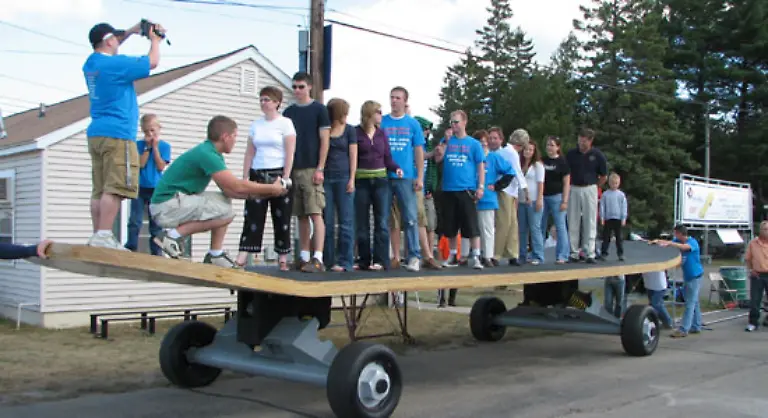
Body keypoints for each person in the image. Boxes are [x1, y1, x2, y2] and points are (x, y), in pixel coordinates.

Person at [150, 115, 287, 267]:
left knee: (223, 201)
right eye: (234, 136)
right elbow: (236, 186)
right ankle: (170, 237)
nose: (235, 141)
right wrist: (271, 187)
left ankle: (215, 254)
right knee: (225, 212)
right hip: (166, 206)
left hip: (172, 202)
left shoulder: (211, 152)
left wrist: (268, 193)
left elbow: (230, 192)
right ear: (225, 137)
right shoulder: (207, 154)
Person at [82, 21, 164, 249]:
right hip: (118, 134)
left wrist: (132, 31)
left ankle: (98, 236)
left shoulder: (91, 63)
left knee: (99, 189)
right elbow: (152, 62)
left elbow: (112, 42)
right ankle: (104, 235)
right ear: (109, 41)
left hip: (97, 133)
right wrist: (155, 40)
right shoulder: (115, 65)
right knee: (116, 187)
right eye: (115, 39)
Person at [236, 86, 296, 271]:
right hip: (257, 173)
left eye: (267, 100)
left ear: (277, 102)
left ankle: (283, 257)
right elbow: (250, 152)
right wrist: (245, 176)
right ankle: (242, 256)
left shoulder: (285, 123)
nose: (263, 103)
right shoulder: (256, 125)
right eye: (261, 100)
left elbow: (290, 152)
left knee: (281, 217)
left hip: (278, 173)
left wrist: (286, 176)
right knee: (253, 216)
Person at [283, 72, 331, 273]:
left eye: (301, 87)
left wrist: (320, 167)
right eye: (294, 87)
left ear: (309, 87)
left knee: (315, 213)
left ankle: (318, 257)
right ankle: (303, 256)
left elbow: (325, 140)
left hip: (312, 168)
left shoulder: (319, 109)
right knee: (300, 215)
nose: (297, 90)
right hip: (293, 169)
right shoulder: (288, 112)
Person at [354, 101, 403, 271]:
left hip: (381, 182)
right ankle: (364, 259)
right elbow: (352, 157)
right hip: (361, 182)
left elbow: (387, 157)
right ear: (370, 114)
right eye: (378, 112)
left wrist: (396, 168)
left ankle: (381, 260)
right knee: (362, 222)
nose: (381, 115)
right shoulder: (356, 133)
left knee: (381, 221)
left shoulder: (382, 134)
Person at [380, 87, 424, 272]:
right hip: (384, 175)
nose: (394, 101)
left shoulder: (413, 124)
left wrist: (419, 176)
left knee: (411, 217)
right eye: (392, 97)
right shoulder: (382, 122)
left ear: (405, 101)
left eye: (398, 98)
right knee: (384, 218)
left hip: (405, 176)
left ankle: (414, 256)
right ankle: (386, 256)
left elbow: (419, 151)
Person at [434, 110, 485, 270]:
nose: (454, 125)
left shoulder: (474, 144)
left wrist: (480, 186)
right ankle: (452, 255)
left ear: (464, 122)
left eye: (456, 122)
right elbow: (438, 159)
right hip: (449, 188)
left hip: (466, 188)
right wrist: (445, 142)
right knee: (450, 225)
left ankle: (476, 255)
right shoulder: (447, 141)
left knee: (471, 225)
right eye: (451, 122)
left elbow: (480, 166)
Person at [124, 114, 171, 256]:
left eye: (152, 130)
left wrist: (155, 148)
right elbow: (141, 164)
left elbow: (160, 166)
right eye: (146, 131)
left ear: (158, 129)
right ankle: (131, 246)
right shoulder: (138, 145)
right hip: (140, 186)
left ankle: (156, 251)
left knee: (155, 222)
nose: (150, 134)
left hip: (156, 188)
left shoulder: (165, 146)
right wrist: (147, 148)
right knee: (135, 220)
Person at [650, 224, 704, 338]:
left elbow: (685, 247)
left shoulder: (692, 242)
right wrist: (657, 241)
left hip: (695, 276)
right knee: (694, 302)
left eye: (675, 233)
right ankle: (696, 325)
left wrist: (670, 243)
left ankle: (684, 329)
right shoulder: (677, 241)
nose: (674, 235)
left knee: (690, 303)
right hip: (688, 277)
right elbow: (668, 243)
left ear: (680, 233)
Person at [322, 98, 357, 272]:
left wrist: (352, 178)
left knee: (346, 222)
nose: (346, 116)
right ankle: (328, 260)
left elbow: (353, 155)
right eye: (344, 112)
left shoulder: (350, 130)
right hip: (327, 179)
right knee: (327, 222)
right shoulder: (325, 130)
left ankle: (345, 261)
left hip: (344, 178)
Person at [566, 128, 608, 263]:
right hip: (574, 187)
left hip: (590, 187)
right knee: (573, 220)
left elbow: (604, 176)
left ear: (590, 141)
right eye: (580, 140)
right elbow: (566, 173)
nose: (581, 144)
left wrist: (595, 187)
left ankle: (590, 252)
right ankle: (573, 252)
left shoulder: (597, 155)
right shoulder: (571, 154)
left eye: (584, 141)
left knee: (590, 220)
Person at [474, 130, 514, 267]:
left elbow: (510, 171)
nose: (484, 144)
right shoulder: (471, 157)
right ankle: (471, 255)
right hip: (471, 196)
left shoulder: (494, 157)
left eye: (485, 142)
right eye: (480, 142)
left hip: (487, 197)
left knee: (488, 228)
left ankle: (488, 256)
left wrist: (498, 185)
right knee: (472, 228)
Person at [491, 128, 528, 267]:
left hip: (511, 191)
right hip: (505, 191)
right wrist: (525, 190)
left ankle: (512, 254)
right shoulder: (511, 153)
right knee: (504, 223)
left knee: (512, 224)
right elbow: (517, 172)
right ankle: (496, 254)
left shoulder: (506, 151)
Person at [540, 136, 571, 264]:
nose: (549, 147)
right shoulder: (542, 160)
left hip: (557, 197)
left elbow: (566, 183)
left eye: (552, 145)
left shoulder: (562, 162)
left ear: (558, 147)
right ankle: (538, 253)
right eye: (548, 145)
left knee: (560, 226)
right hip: (542, 196)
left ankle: (562, 255)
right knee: (540, 225)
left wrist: (565, 201)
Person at [518, 141, 546, 265]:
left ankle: (538, 255)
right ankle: (522, 255)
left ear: (534, 152)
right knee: (522, 229)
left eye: (530, 150)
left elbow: (540, 183)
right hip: (521, 200)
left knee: (535, 228)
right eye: (526, 149)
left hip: (534, 200)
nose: (528, 152)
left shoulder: (538, 165)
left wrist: (539, 199)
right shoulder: (519, 164)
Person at [744, 220, 768, 332]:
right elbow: (748, 258)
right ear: (760, 230)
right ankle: (753, 322)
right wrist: (751, 269)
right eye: (765, 229)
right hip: (757, 275)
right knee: (755, 300)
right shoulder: (753, 243)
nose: (767, 231)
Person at [599, 172, 628, 261]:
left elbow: (624, 207)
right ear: (609, 183)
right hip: (608, 219)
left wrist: (623, 218)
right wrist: (602, 217)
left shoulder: (621, 195)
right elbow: (602, 206)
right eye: (612, 183)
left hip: (618, 219)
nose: (614, 185)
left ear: (619, 183)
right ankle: (604, 253)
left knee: (619, 238)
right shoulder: (605, 194)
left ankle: (620, 254)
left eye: (616, 183)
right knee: (606, 237)